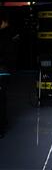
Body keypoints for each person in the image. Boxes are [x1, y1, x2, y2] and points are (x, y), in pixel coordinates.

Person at [0, 9, 18, 139]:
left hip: (2, 71)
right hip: (3, 71)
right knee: (1, 99)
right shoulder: (7, 36)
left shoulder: (5, 35)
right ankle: (2, 125)